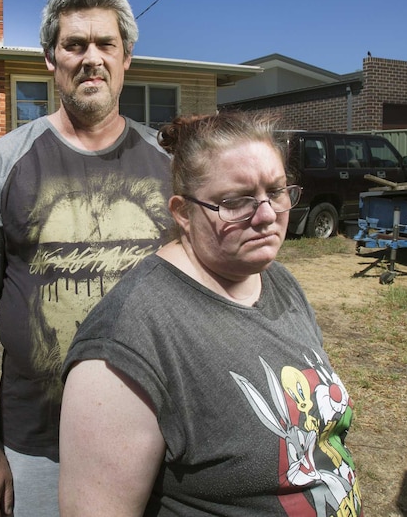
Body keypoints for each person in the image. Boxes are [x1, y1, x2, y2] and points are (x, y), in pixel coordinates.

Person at [59, 111, 364, 517]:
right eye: (236, 201)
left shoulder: (279, 282)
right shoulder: (125, 346)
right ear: (183, 213)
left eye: (276, 191)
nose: (268, 215)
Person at [0, 0, 173, 516]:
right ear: (51, 59)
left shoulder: (172, 163)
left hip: (162, 433)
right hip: (38, 440)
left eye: (106, 45)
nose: (91, 59)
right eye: (75, 45)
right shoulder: (4, 162)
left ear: (127, 59)